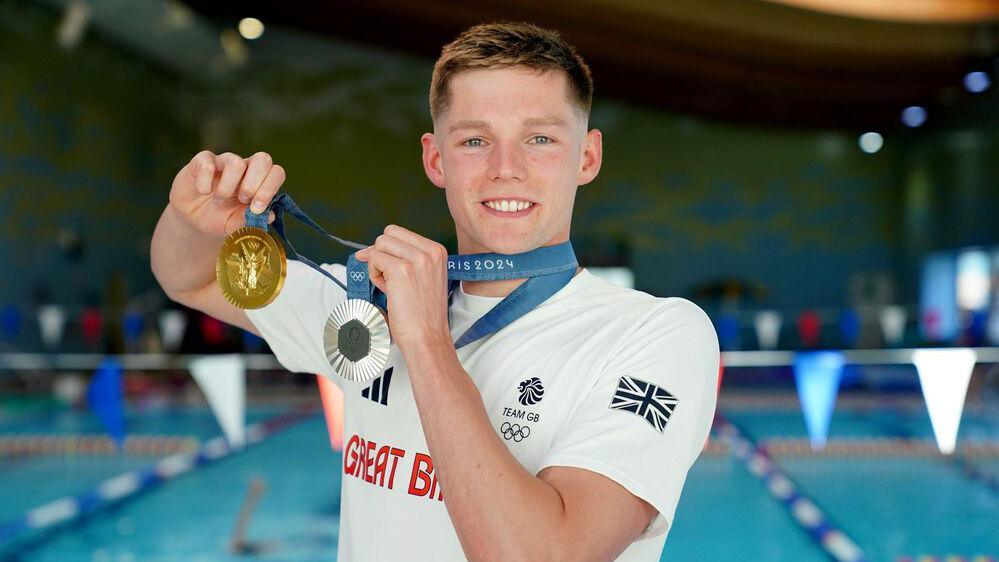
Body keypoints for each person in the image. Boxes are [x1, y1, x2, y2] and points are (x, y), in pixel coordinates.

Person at [151, 21, 719, 562]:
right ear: (435, 158)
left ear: (587, 156)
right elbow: (192, 276)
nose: (505, 168)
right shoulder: (366, 310)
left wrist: (426, 341)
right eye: (474, 140)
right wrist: (192, 217)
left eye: (540, 138)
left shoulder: (658, 334)